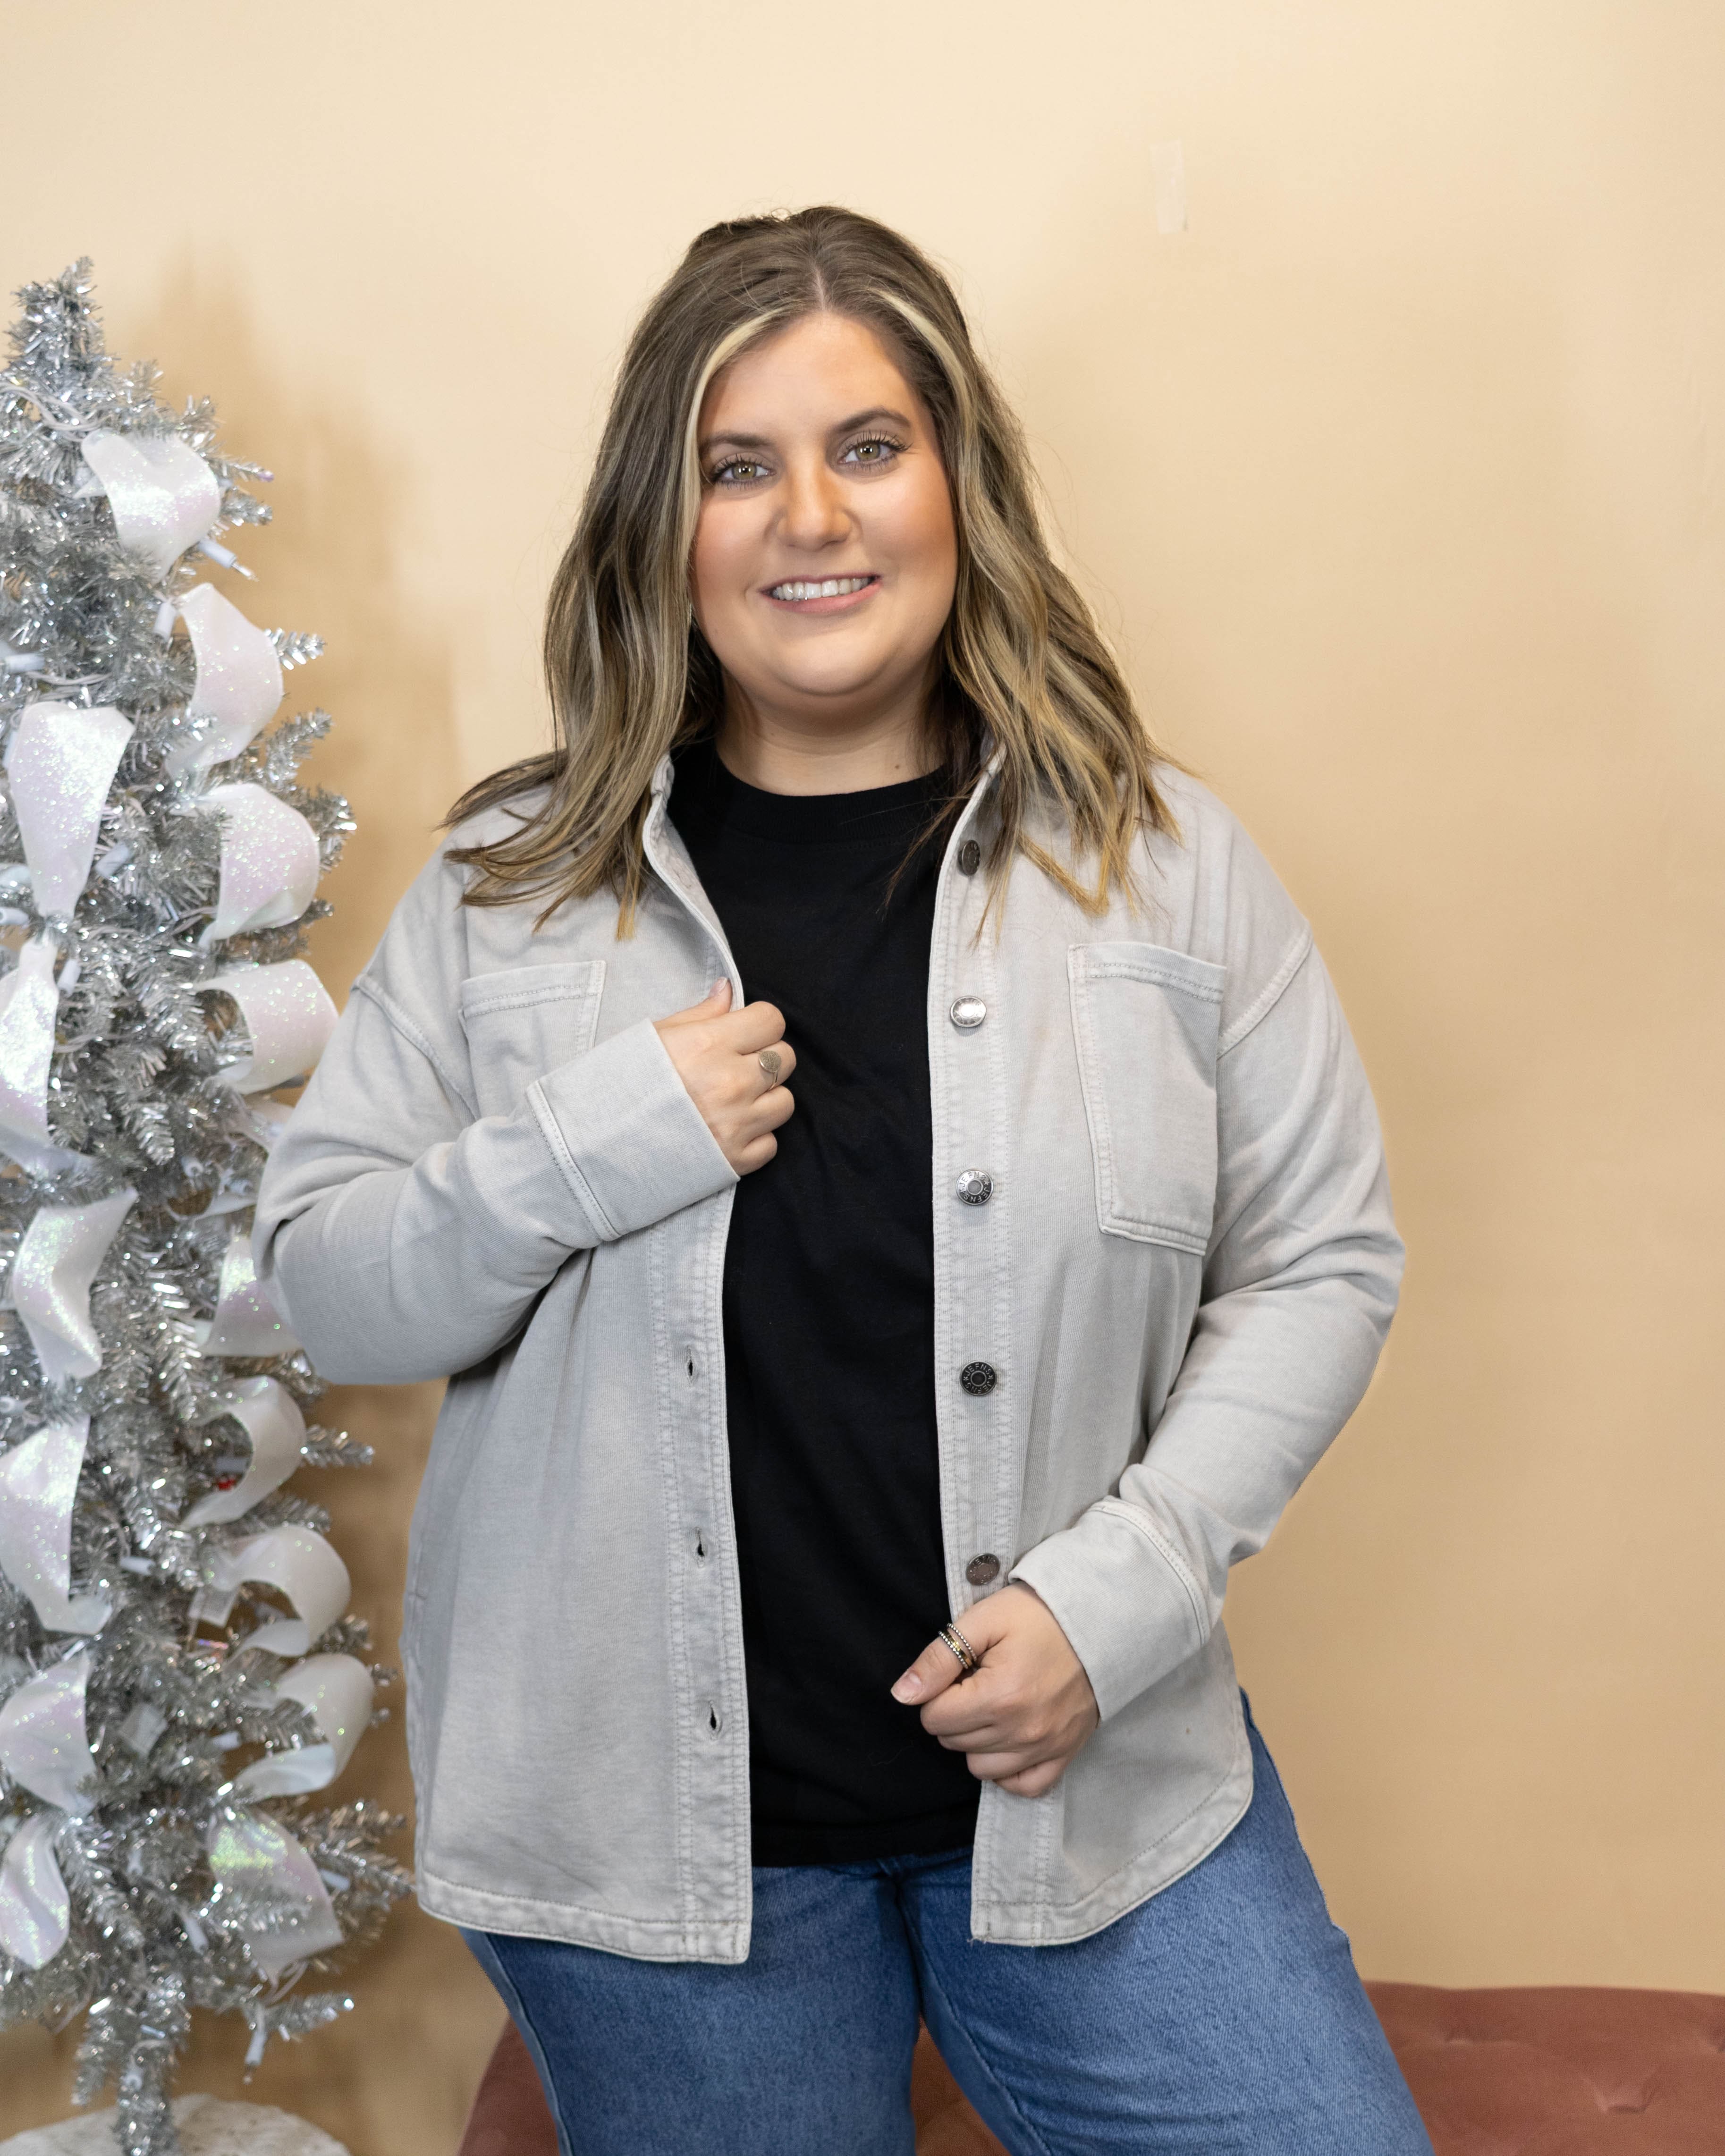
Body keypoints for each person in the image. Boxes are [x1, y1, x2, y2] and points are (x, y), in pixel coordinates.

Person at [255, 206, 1431, 2156]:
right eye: (738, 465)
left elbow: (1318, 1263)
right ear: (664, 524)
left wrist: (1115, 1600)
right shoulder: (505, 885)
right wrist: (589, 1140)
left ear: (959, 485)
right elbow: (328, 1285)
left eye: (868, 446)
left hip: (1092, 1789)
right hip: (659, 1855)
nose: (811, 516)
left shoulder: (1164, 863)